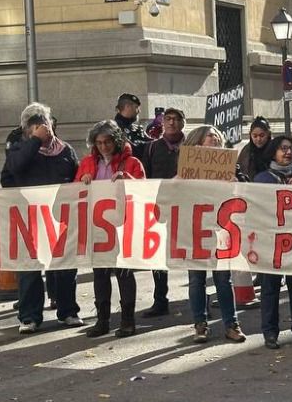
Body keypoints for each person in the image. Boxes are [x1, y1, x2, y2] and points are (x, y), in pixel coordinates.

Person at [2, 103, 80, 333]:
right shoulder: (18, 149)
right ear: (27, 129)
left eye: (44, 124)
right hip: (30, 217)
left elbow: (75, 177)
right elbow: (12, 172)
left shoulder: (65, 150)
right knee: (30, 268)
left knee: (65, 267)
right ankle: (29, 316)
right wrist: (34, 142)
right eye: (36, 126)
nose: (43, 129)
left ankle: (68, 312)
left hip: (59, 217)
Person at [77, 121, 146, 337]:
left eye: (107, 142)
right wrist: (83, 180)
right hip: (98, 227)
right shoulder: (88, 163)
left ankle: (127, 320)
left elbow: (143, 190)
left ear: (115, 142)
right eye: (99, 143)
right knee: (100, 274)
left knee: (124, 273)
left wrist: (129, 179)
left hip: (122, 226)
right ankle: (102, 320)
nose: (103, 146)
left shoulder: (132, 162)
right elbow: (75, 191)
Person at [180, 124, 246, 344]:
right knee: (196, 279)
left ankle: (231, 324)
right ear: (198, 141)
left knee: (223, 279)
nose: (216, 138)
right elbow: (170, 193)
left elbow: (241, 196)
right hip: (195, 231)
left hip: (220, 229)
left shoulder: (228, 167)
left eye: (218, 135)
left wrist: (236, 184)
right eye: (210, 136)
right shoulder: (185, 170)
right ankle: (200, 324)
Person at [251, 135, 292, 351]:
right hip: (271, 242)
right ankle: (270, 333)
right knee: (270, 288)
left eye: (290, 148)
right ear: (273, 153)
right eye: (282, 149)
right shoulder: (262, 179)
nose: (287, 152)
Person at [141, 108, 188, 319]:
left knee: (195, 252)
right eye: (168, 119)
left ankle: (198, 298)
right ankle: (160, 300)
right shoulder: (152, 148)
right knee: (158, 255)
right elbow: (145, 177)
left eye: (176, 119)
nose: (172, 123)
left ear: (183, 123)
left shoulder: (192, 147)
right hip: (161, 207)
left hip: (189, 207)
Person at [113, 92, 152, 159]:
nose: (139, 111)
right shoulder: (114, 128)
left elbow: (152, 143)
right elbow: (130, 149)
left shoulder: (137, 129)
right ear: (127, 107)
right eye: (136, 107)